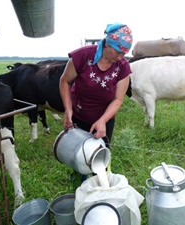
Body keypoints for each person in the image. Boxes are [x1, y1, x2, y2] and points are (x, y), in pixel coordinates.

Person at [59, 23, 133, 183]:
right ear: (107, 44)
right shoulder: (83, 56)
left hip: (104, 116)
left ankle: (99, 181)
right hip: (79, 113)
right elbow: (64, 81)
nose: (121, 57)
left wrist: (103, 121)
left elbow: (118, 99)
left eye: (125, 54)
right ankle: (79, 178)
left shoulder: (123, 67)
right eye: (119, 52)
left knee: (100, 150)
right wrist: (68, 110)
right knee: (78, 150)